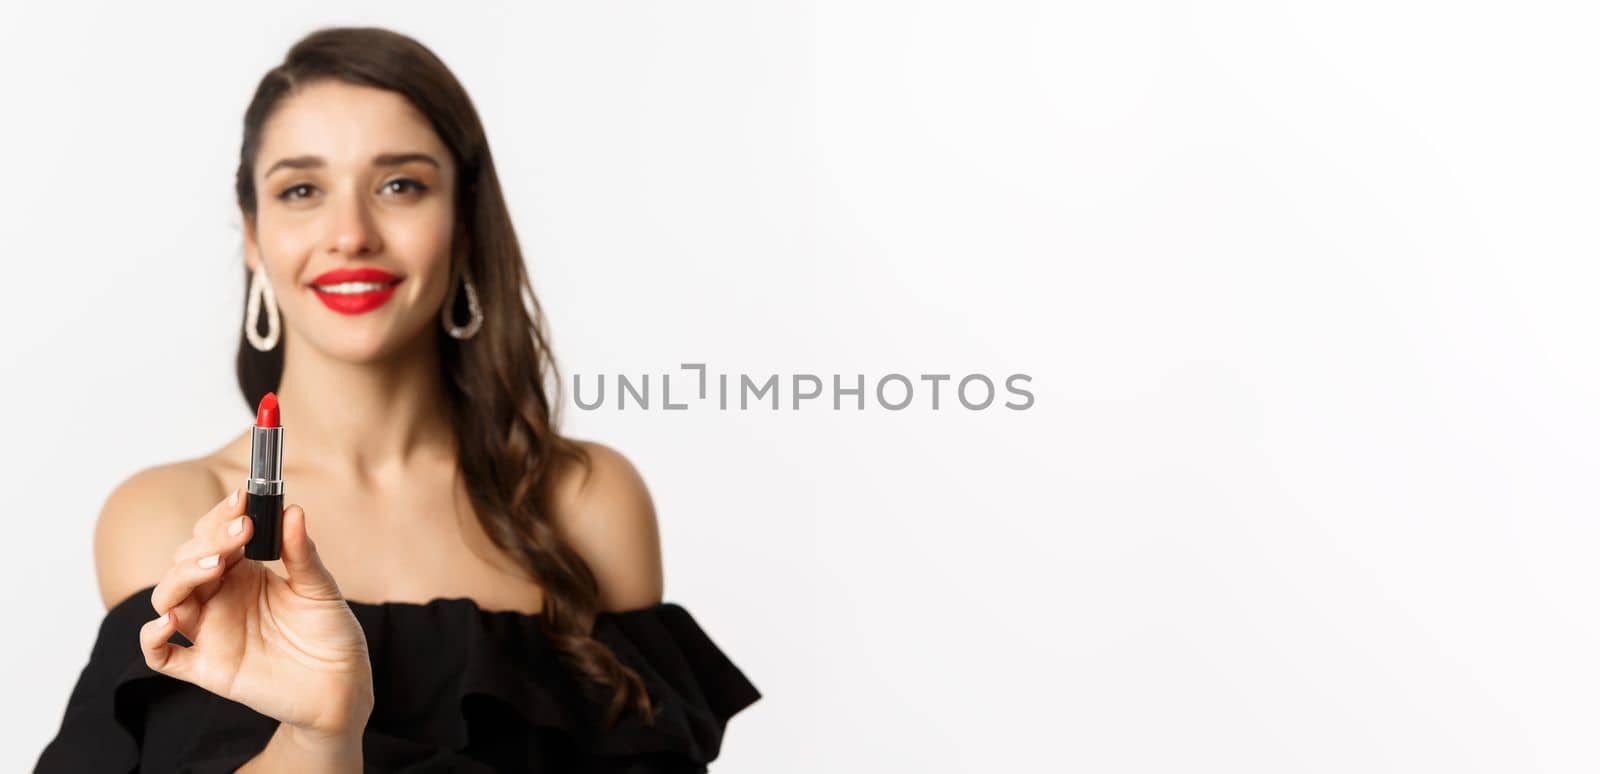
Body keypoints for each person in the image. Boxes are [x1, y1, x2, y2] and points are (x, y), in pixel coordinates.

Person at [35, 26, 760, 773]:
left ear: (465, 221)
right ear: (254, 234)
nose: (350, 234)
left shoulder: (586, 501)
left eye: (400, 185)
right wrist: (321, 733)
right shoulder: (168, 517)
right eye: (302, 190)